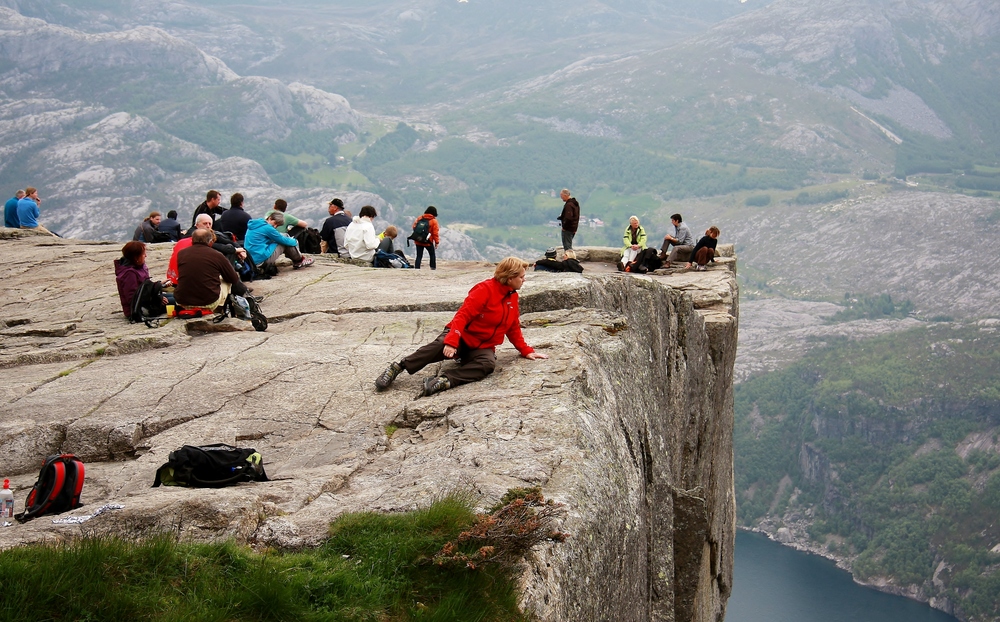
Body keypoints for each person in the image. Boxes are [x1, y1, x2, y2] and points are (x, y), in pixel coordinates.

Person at [375, 257, 549, 397]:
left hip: (482, 345)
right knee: (440, 345)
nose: (524, 280)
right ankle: (398, 367)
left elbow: (512, 327)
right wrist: (452, 341)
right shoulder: (485, 290)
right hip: (462, 336)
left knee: (487, 364)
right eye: (521, 277)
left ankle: (443, 381)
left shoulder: (512, 297)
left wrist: (526, 350)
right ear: (510, 278)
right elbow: (462, 316)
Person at [174, 229, 249, 311]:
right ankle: (225, 308)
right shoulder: (216, 255)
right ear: (210, 242)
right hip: (208, 303)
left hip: (182, 302)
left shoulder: (181, 254)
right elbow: (233, 278)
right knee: (226, 281)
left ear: (192, 240)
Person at [166, 214, 251, 285]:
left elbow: (227, 241)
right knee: (227, 255)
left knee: (229, 249)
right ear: (197, 225)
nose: (208, 226)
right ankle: (236, 286)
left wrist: (240, 249)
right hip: (189, 274)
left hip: (181, 275)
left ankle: (238, 284)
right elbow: (213, 246)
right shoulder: (194, 235)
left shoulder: (207, 233)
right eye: (205, 223)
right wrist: (235, 250)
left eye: (210, 224)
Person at [245, 211, 314, 271]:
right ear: (270, 218)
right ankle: (299, 260)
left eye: (277, 225)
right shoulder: (267, 228)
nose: (275, 226)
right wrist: (294, 241)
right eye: (275, 223)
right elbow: (283, 240)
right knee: (285, 239)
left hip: (251, 260)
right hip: (261, 261)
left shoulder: (256, 225)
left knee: (284, 237)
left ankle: (297, 259)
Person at [114, 241, 153, 318]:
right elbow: (132, 298)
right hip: (138, 309)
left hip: (148, 301)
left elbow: (144, 286)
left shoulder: (139, 267)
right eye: (143, 254)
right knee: (175, 301)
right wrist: (155, 299)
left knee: (174, 297)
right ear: (136, 257)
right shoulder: (129, 273)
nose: (146, 255)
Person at [411, 206, 440, 270]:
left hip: (418, 240)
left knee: (419, 256)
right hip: (428, 241)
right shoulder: (434, 221)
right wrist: (437, 242)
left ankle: (417, 268)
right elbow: (435, 233)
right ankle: (432, 268)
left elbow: (414, 227)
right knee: (432, 254)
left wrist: (420, 236)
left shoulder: (420, 218)